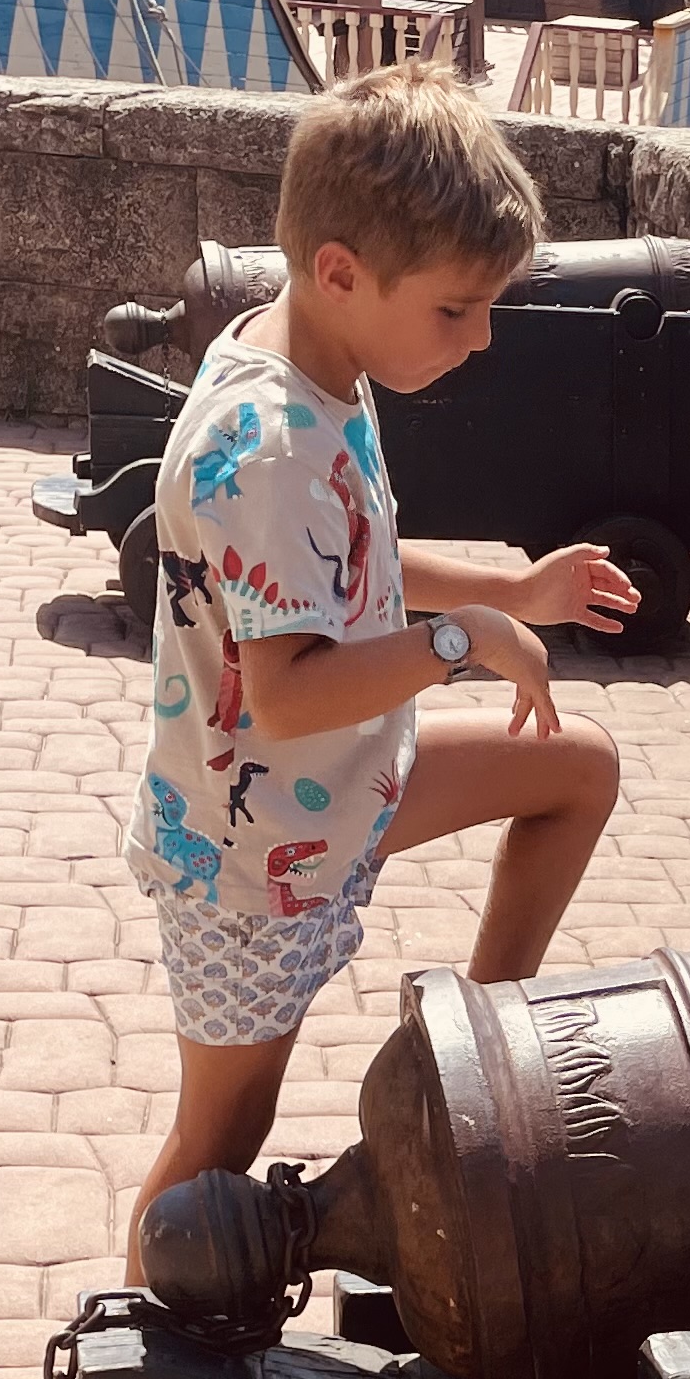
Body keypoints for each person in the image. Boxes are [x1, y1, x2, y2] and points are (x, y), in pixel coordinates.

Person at [121, 63, 636, 1273]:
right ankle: (125, 1371)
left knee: (576, 769)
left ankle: (474, 1091)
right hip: (252, 858)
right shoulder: (265, 442)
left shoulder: (319, 361)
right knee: (214, 1156)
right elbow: (292, 688)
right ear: (343, 270)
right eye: (457, 310)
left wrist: (510, 590)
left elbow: (342, 560)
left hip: (347, 789)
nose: (483, 337)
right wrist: (460, 644)